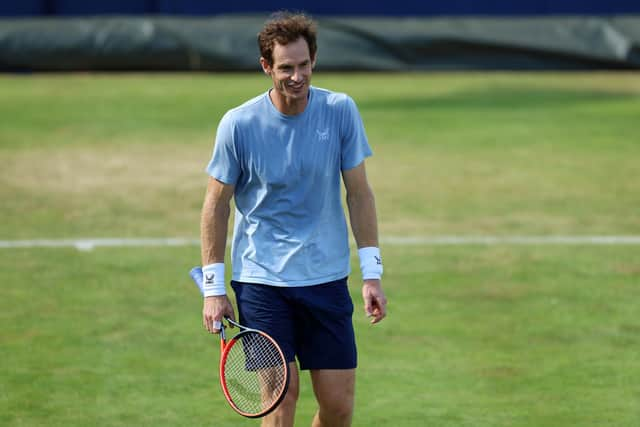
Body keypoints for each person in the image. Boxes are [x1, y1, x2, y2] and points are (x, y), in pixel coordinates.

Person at [199, 11, 387, 427]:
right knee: (280, 401)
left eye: (304, 65)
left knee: (338, 408)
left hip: (326, 278)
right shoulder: (239, 124)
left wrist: (371, 274)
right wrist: (214, 288)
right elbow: (215, 205)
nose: (297, 77)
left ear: (314, 60)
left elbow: (359, 194)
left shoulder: (340, 111)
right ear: (267, 66)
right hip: (262, 283)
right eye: (286, 68)